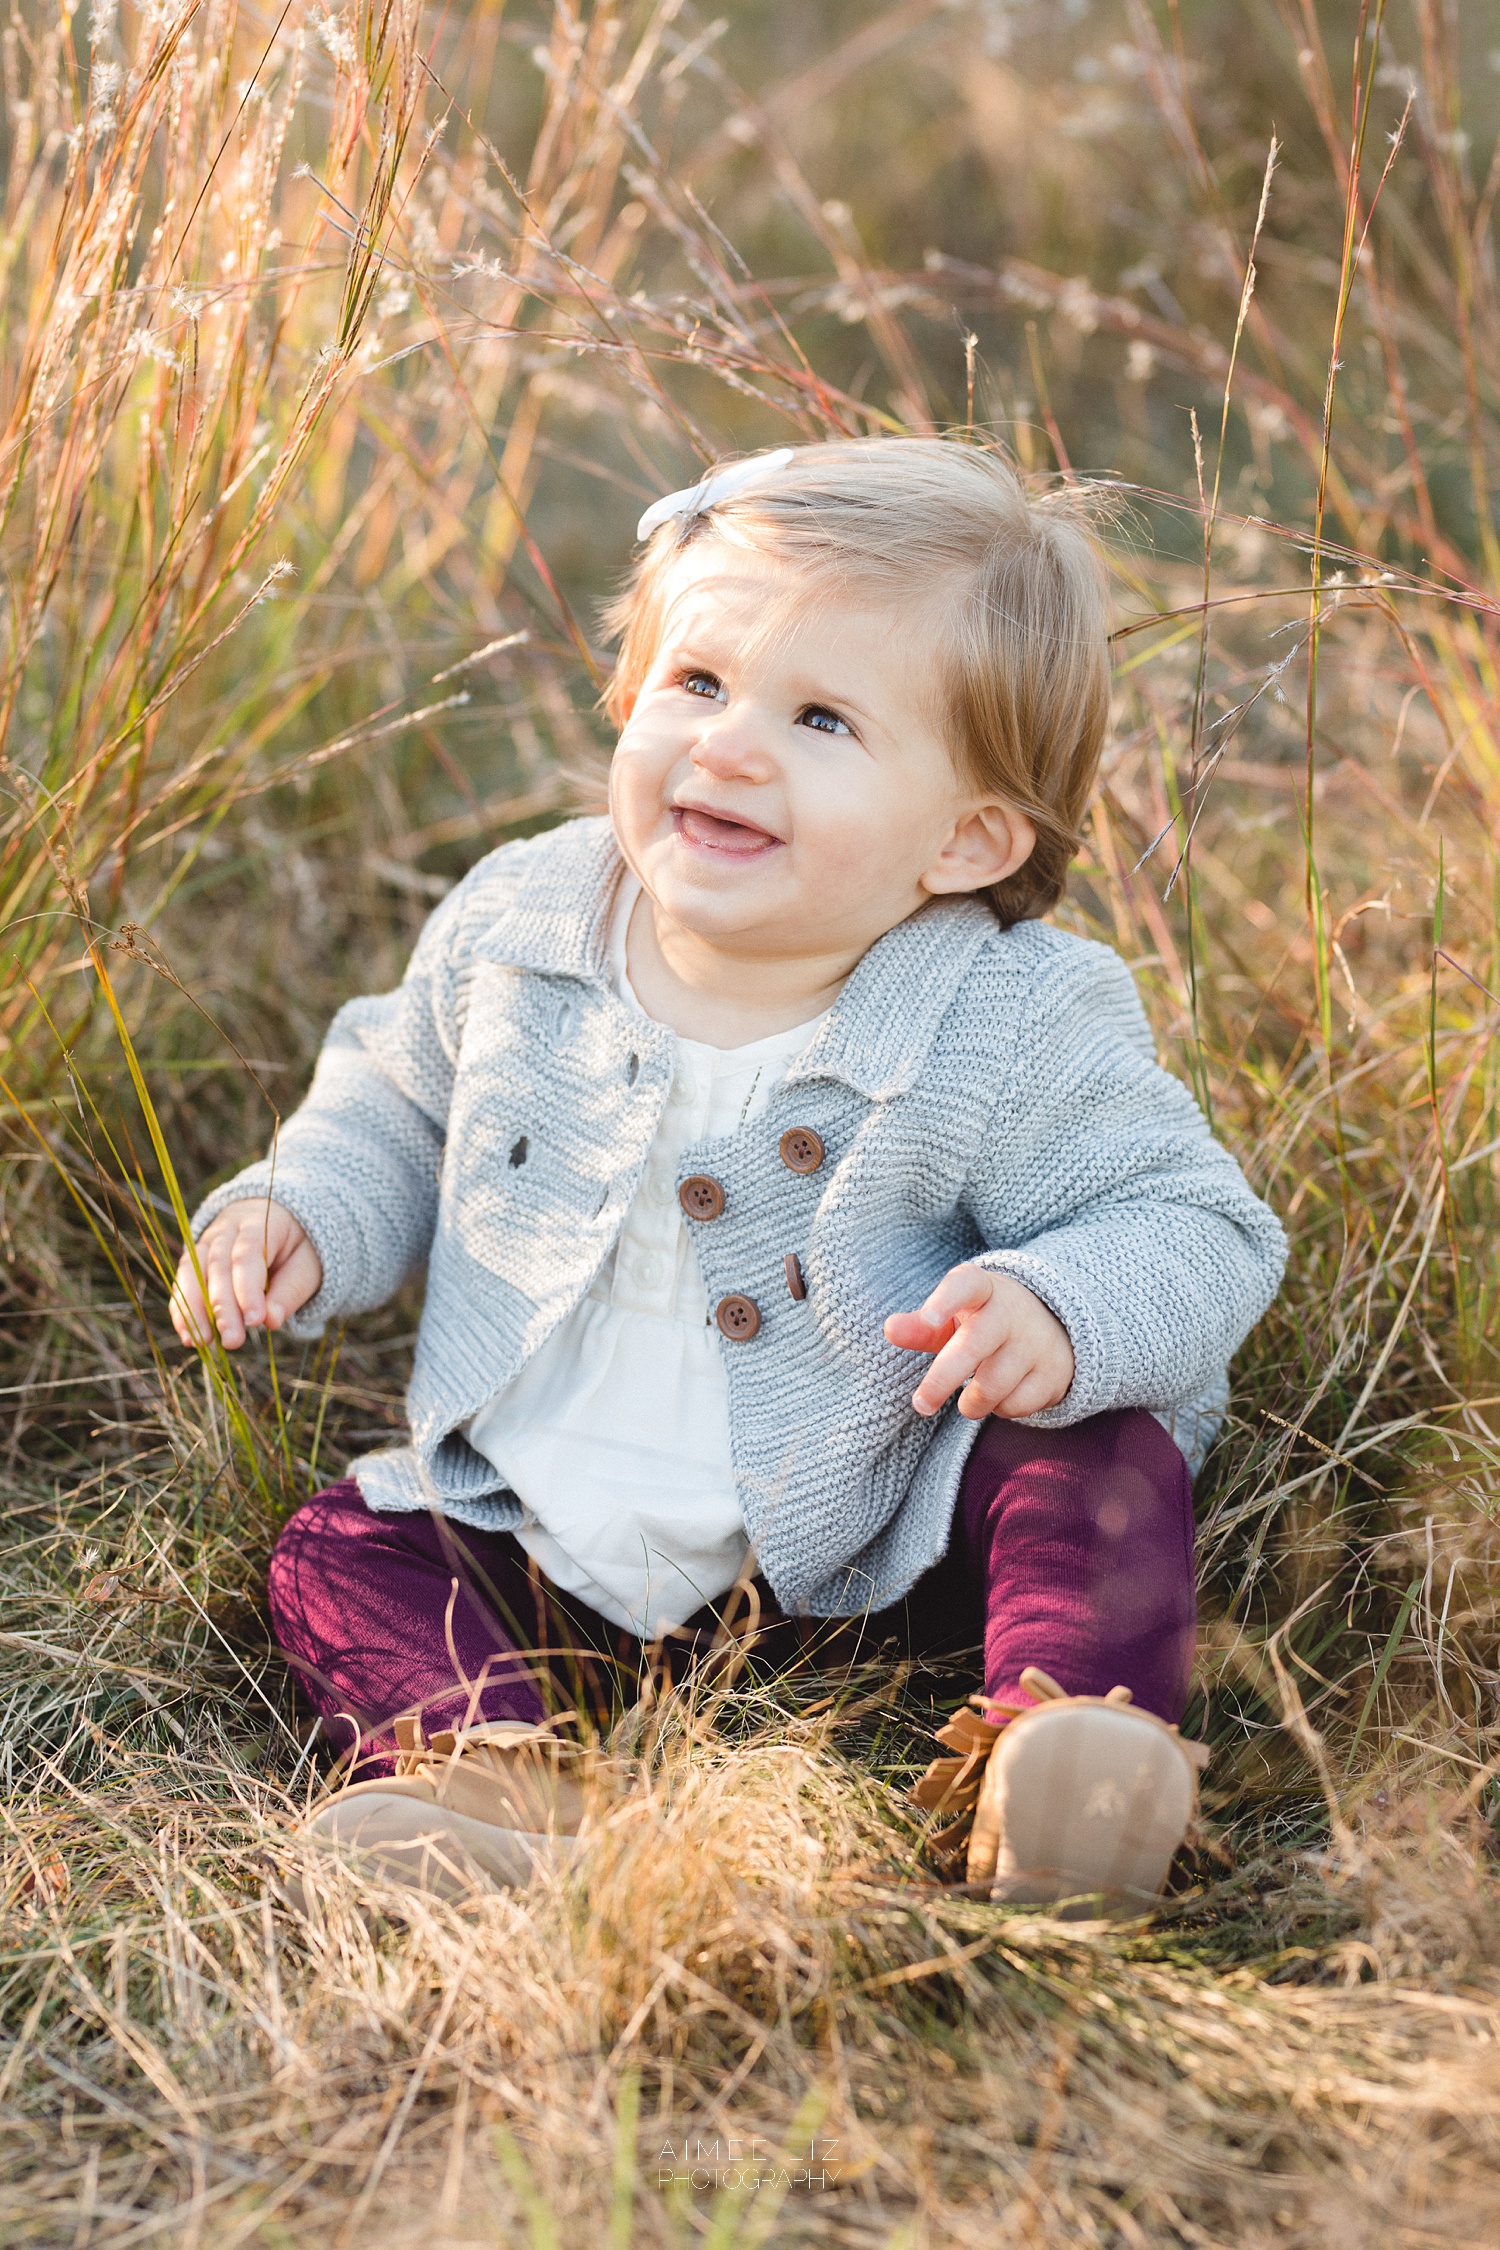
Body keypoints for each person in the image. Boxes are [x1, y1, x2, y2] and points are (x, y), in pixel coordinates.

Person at [173, 440, 1285, 1909]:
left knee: (1096, 1458)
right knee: (336, 1552)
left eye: (821, 717)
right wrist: (299, 1207)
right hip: (543, 1531)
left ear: (965, 838)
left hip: (872, 1536)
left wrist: (1055, 1307)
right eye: (696, 684)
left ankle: (1067, 1749)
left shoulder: (1006, 1012)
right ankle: (492, 1775)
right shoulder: (526, 920)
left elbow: (1197, 1221)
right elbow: (393, 1094)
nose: (731, 745)